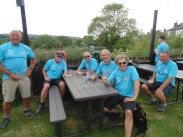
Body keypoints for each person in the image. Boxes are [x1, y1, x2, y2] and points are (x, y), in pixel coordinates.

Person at [0, 30, 36, 129]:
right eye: (13, 35)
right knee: (8, 99)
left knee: (27, 95)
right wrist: (10, 74)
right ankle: (6, 117)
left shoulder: (25, 48)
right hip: (9, 77)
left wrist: (30, 69)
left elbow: (34, 59)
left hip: (23, 76)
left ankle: (27, 110)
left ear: (20, 37)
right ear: (10, 37)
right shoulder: (3, 47)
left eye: (17, 35)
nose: (15, 37)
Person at [102, 54, 140, 137]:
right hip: (116, 94)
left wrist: (134, 98)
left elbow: (137, 83)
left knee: (129, 112)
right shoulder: (115, 72)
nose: (122, 64)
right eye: (120, 63)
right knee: (103, 109)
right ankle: (116, 112)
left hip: (128, 96)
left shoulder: (132, 69)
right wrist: (105, 81)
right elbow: (108, 82)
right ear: (117, 64)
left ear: (127, 62)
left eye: (124, 62)